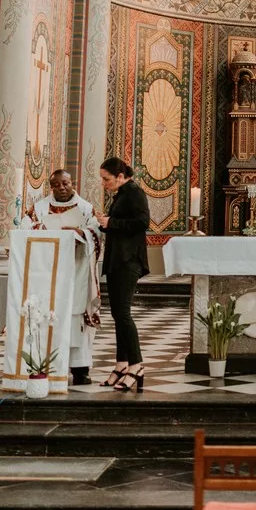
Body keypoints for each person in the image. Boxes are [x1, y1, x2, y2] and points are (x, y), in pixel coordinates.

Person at [22, 169, 101, 386]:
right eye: (57, 185)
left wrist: (79, 233)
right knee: (49, 316)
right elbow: (25, 228)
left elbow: (96, 232)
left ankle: (80, 370)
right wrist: (41, 229)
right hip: (49, 270)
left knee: (76, 319)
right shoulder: (38, 208)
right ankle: (47, 367)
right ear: (51, 187)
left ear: (71, 182)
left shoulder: (85, 208)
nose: (62, 188)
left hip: (77, 269)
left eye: (66, 183)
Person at [97, 158, 150, 392]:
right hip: (118, 258)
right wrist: (104, 223)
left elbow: (142, 222)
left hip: (129, 260)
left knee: (124, 314)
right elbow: (119, 224)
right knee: (118, 315)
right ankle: (121, 364)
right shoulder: (122, 193)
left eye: (106, 179)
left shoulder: (134, 192)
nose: (103, 183)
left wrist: (112, 222)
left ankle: (137, 365)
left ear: (120, 175)